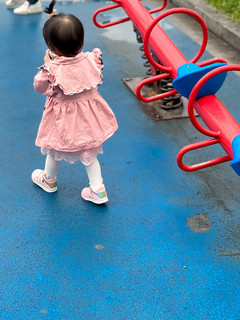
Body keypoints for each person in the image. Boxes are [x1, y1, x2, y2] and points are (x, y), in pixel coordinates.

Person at [31, 5, 118, 204]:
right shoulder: (91, 60)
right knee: (89, 152)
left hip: (62, 122)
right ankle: (98, 190)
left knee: (54, 148)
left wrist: (48, 64)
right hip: (88, 120)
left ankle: (49, 180)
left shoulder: (52, 71)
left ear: (51, 48)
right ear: (80, 42)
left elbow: (40, 86)